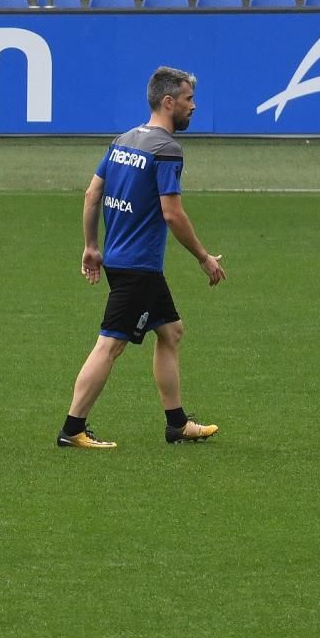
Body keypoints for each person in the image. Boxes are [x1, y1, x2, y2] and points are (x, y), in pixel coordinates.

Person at [56, 66, 226, 449]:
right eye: (188, 100)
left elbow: (91, 195)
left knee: (171, 331)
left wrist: (91, 246)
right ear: (169, 102)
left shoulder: (125, 139)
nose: (193, 107)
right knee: (110, 345)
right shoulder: (167, 150)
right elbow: (173, 213)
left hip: (121, 258)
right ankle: (72, 429)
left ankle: (177, 424)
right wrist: (202, 256)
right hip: (139, 267)